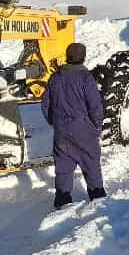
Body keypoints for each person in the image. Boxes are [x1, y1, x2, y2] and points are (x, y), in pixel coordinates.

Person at [41, 43, 107, 209]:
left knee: (63, 166)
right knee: (91, 164)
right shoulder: (86, 78)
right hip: (84, 130)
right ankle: (98, 199)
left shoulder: (56, 76)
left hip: (62, 131)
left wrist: (55, 122)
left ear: (67, 56)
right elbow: (95, 106)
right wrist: (96, 127)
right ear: (83, 57)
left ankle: (62, 202)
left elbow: (45, 104)